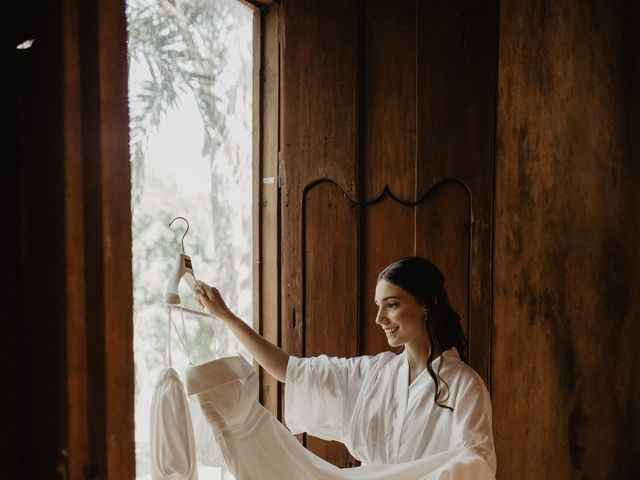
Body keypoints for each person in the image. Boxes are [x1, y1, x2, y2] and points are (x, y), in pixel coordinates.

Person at [195, 256, 496, 474]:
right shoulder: (372, 374)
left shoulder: (464, 385)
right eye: (378, 306)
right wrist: (226, 316)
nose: (380, 319)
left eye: (392, 305)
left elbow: (478, 461)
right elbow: (291, 370)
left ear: (426, 304)